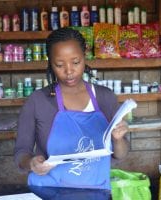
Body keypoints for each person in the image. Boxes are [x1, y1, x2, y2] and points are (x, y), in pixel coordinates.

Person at [14, 27, 129, 190]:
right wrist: (31, 163)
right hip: (50, 191)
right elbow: (21, 153)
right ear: (50, 63)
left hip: (96, 191)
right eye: (59, 65)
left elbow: (121, 154)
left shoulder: (105, 98)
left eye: (76, 62)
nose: (69, 71)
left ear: (85, 56)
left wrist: (118, 139)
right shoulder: (37, 101)